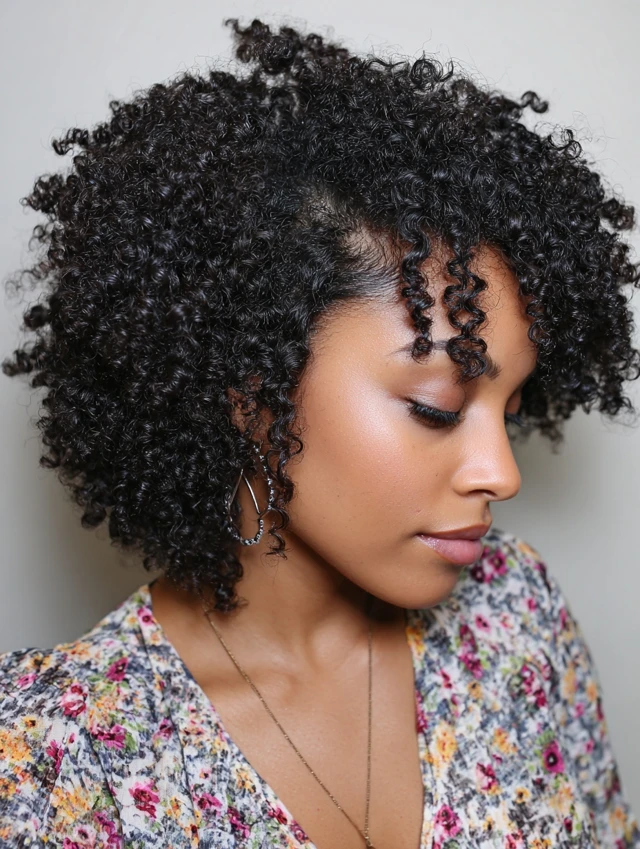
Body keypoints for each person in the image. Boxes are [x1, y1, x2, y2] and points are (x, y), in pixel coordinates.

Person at [1, 15, 639, 849]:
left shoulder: (516, 614)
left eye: (510, 413)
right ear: (250, 388)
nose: (501, 473)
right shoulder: (51, 760)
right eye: (437, 408)